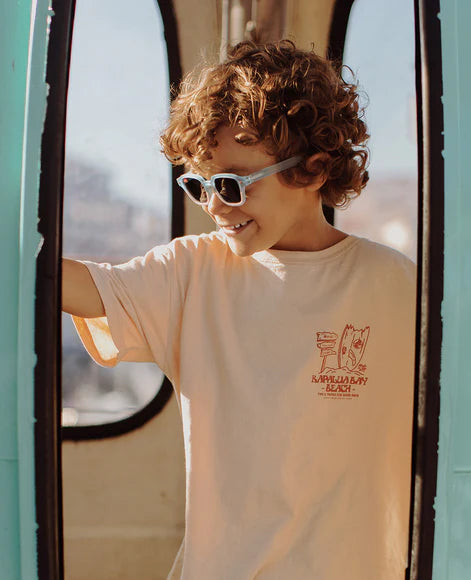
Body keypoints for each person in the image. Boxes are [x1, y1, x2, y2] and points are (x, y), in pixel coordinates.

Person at [62, 40, 416, 579]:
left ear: (314, 169)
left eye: (230, 184)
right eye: (199, 185)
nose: (214, 206)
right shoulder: (192, 273)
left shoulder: (394, 285)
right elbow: (77, 287)